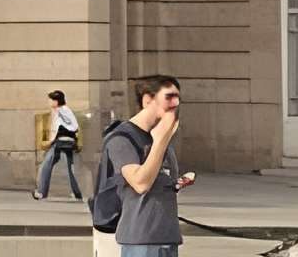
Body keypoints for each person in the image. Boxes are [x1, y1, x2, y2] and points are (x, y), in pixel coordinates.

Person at [101, 74, 192, 257]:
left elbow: (157, 178)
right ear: (147, 100)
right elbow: (140, 183)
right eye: (168, 97)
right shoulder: (122, 138)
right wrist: (160, 140)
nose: (175, 104)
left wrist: (174, 183)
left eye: (177, 98)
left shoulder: (161, 135)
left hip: (167, 235)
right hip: (141, 239)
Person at [35, 88, 82, 201]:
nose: (49, 102)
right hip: (68, 142)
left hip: (60, 142)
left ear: (56, 101)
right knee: (70, 167)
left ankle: (41, 192)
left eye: (51, 100)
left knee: (46, 165)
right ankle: (77, 193)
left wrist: (50, 142)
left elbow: (61, 128)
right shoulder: (65, 110)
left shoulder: (61, 111)